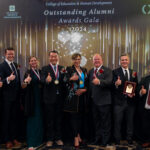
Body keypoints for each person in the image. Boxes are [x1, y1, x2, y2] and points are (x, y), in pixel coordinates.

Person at [112, 53, 138, 145]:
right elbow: (111, 86)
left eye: (126, 60)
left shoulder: (133, 72)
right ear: (120, 61)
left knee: (130, 122)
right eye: (122, 60)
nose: (124, 61)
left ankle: (129, 139)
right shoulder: (115, 72)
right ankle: (117, 140)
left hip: (130, 102)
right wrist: (116, 84)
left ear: (129, 61)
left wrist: (134, 93)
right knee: (117, 122)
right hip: (118, 102)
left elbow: (136, 85)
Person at [41, 50, 65, 147]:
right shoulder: (45, 68)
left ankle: (58, 138)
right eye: (51, 56)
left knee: (59, 120)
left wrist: (69, 78)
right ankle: (50, 139)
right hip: (49, 99)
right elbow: (42, 79)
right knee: (50, 120)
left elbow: (65, 80)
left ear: (58, 57)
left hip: (60, 99)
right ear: (49, 58)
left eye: (55, 56)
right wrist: (46, 80)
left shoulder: (62, 68)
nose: (53, 58)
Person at [63, 53, 88, 148]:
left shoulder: (84, 70)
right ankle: (75, 137)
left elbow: (87, 83)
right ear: (72, 60)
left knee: (80, 118)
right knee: (74, 119)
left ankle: (78, 134)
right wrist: (70, 78)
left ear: (80, 60)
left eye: (78, 59)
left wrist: (84, 89)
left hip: (82, 97)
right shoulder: (69, 69)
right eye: (75, 59)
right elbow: (64, 81)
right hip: (73, 98)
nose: (77, 61)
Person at [88, 53, 112, 146]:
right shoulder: (91, 71)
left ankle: (105, 141)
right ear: (93, 61)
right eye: (95, 59)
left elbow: (109, 82)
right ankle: (97, 139)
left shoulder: (107, 70)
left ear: (102, 60)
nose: (96, 61)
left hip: (104, 102)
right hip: (93, 102)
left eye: (98, 59)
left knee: (105, 123)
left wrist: (99, 82)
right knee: (96, 122)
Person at [0, 47, 21, 149]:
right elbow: (1, 82)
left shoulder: (15, 65)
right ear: (5, 54)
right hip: (6, 98)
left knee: (14, 119)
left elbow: (18, 81)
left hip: (16, 98)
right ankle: (7, 140)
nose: (11, 56)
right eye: (9, 54)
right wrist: (8, 79)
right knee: (6, 119)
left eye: (12, 54)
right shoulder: (1, 66)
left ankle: (14, 138)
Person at [22, 56, 43, 150]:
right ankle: (31, 142)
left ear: (37, 62)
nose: (34, 62)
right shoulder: (28, 72)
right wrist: (26, 81)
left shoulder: (40, 71)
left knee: (39, 120)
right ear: (29, 63)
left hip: (41, 99)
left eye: (35, 60)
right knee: (32, 121)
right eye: (31, 61)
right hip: (32, 100)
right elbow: (23, 86)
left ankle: (38, 141)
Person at [135, 66, 150, 147]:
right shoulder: (144, 79)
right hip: (146, 106)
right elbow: (137, 91)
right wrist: (141, 92)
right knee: (145, 125)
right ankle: (147, 141)